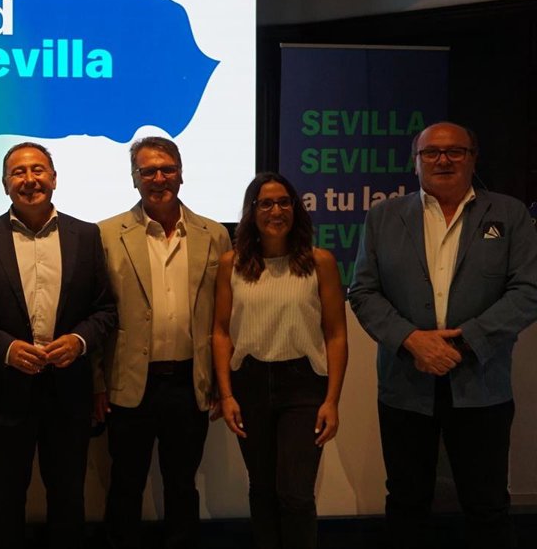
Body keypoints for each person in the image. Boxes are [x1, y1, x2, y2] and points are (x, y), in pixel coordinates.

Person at [348, 122, 537, 549]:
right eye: (431, 152)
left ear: (473, 158)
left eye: (455, 151)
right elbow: (363, 291)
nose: (443, 160)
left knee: (487, 503)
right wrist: (412, 340)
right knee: (406, 502)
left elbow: (529, 290)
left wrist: (466, 340)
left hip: (482, 384)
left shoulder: (510, 215)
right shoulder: (383, 217)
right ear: (415, 162)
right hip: (405, 384)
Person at [0, 142, 117, 549]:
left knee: (68, 500)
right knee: (5, 501)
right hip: (4, 390)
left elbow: (106, 310)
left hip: (68, 391)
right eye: (18, 172)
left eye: (38, 170)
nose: (29, 179)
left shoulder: (86, 235)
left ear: (54, 178)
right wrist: (7, 349)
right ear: (5, 184)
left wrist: (78, 341)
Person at [94, 136, 232, 549]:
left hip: (190, 382)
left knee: (183, 484)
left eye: (167, 169)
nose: (159, 178)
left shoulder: (214, 235)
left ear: (181, 174)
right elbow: (96, 314)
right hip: (128, 383)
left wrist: (223, 385)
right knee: (125, 483)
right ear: (134, 178)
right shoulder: (105, 235)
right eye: (148, 171)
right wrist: (96, 383)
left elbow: (225, 319)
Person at [212, 172, 348, 549]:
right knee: (262, 488)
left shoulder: (320, 262)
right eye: (266, 204)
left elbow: (336, 335)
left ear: (296, 209)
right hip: (250, 383)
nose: (276, 211)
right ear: (252, 212)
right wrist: (226, 394)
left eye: (284, 202)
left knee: (296, 493)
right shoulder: (232, 264)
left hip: (303, 386)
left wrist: (332, 400)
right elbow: (221, 332)